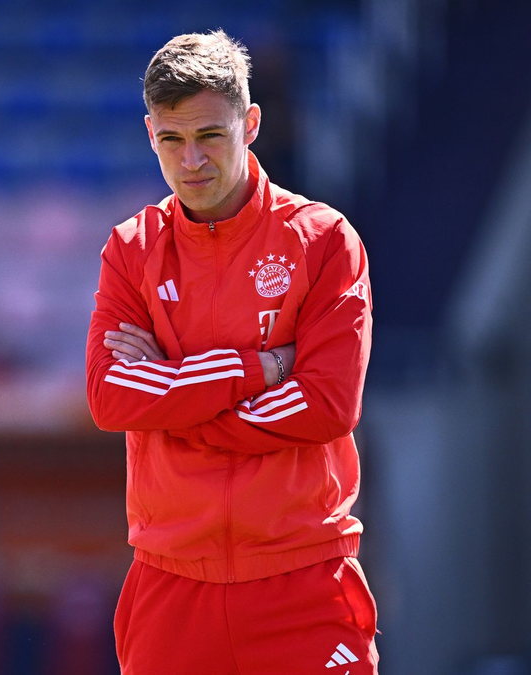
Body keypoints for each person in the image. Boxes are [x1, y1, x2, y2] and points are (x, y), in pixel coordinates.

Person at [86, 30, 378, 674]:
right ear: (149, 133)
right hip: (171, 586)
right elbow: (110, 400)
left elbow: (327, 406)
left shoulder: (324, 240)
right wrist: (264, 368)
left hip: (303, 579)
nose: (191, 161)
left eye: (210, 136)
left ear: (250, 125)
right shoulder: (131, 249)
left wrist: (174, 402)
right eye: (171, 140)